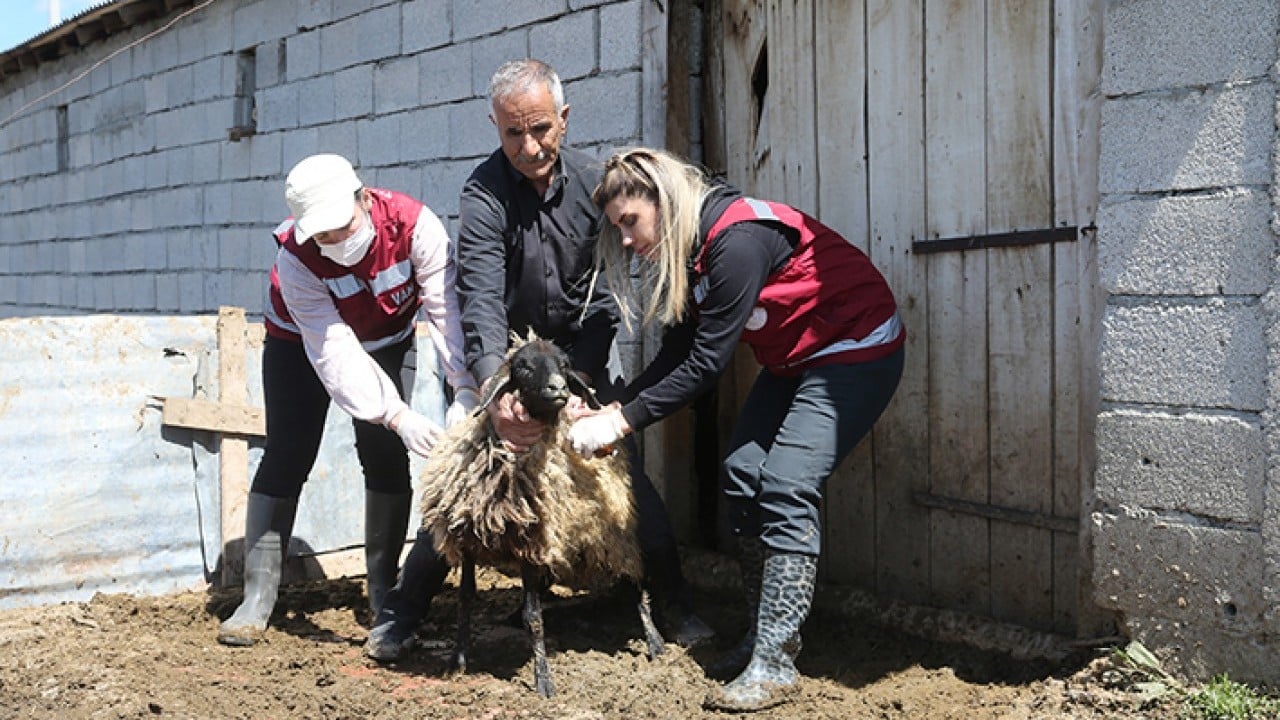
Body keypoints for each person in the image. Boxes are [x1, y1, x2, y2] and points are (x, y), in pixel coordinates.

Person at [364, 59, 712, 661]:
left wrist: (577, 384)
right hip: (508, 365)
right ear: (496, 128)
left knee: (630, 488)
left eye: (541, 130)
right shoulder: (483, 193)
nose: (529, 147)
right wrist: (498, 387)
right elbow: (477, 293)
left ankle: (676, 603)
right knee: (463, 488)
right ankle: (402, 612)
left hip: (580, 362)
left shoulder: (595, 184)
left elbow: (606, 294)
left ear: (564, 120)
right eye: (512, 134)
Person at [569, 147, 905, 712]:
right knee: (743, 471)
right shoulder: (693, 252)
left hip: (856, 348)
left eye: (630, 221)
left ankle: (775, 662)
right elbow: (679, 349)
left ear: (663, 199)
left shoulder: (735, 242)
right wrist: (613, 404)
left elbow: (705, 366)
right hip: (798, 357)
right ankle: (763, 634)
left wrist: (620, 422)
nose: (626, 239)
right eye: (617, 227)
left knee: (786, 481)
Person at [216, 153, 478, 647]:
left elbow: (446, 310)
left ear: (364, 199)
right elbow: (334, 352)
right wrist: (396, 413)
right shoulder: (295, 259)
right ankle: (257, 597)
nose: (336, 242)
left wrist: (463, 384)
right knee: (289, 451)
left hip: (387, 338)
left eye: (343, 226)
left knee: (383, 453)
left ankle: (383, 587)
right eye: (323, 236)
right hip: (302, 341)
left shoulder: (415, 226)